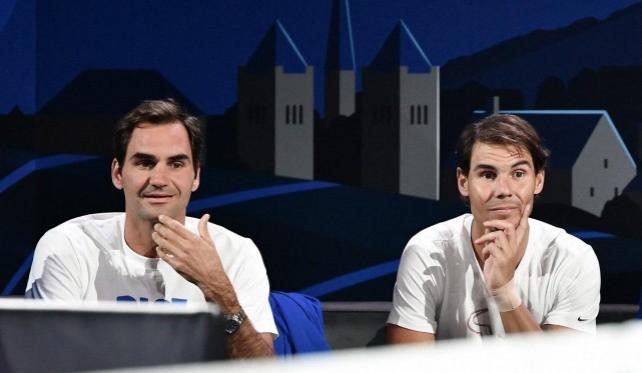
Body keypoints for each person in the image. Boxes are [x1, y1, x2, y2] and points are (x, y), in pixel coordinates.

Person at [26, 98, 276, 357]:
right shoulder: (69, 247)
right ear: (118, 174)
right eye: (144, 163)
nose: (159, 179)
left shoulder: (235, 252)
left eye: (176, 164)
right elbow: (49, 360)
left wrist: (218, 289)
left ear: (196, 177)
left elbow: (262, 367)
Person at [387, 114, 601, 343]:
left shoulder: (574, 259)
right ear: (463, 182)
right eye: (488, 175)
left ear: (538, 181)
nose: (503, 190)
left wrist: (504, 291)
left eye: (518, 174)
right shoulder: (427, 251)